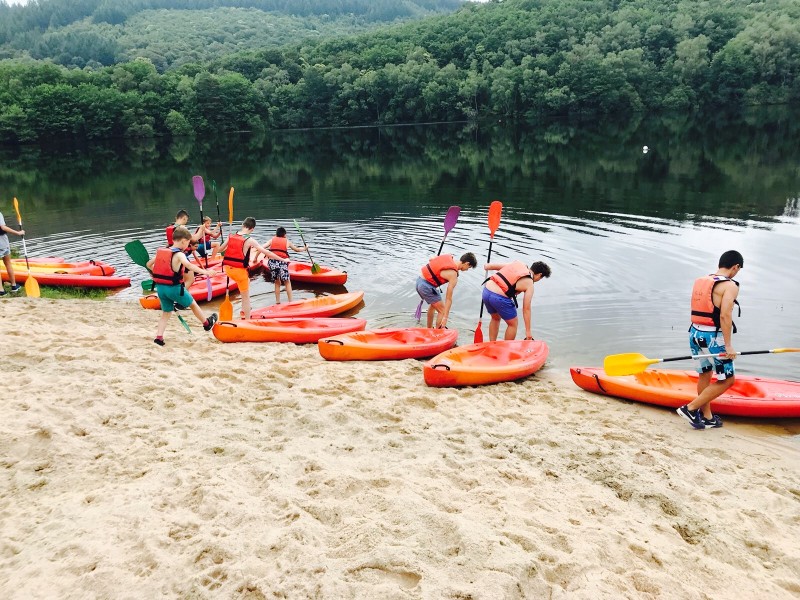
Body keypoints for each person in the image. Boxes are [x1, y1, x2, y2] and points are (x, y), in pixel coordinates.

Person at [677, 250, 744, 430]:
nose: (737, 273)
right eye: (738, 270)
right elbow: (725, 315)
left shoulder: (702, 280)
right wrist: (728, 345)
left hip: (695, 333)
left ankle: (707, 417)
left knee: (705, 374)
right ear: (735, 267)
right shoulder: (729, 285)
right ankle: (691, 408)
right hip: (713, 338)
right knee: (728, 380)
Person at [145, 226, 218, 346]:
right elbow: (189, 266)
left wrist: (159, 274)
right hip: (174, 289)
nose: (188, 246)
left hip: (161, 289)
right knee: (193, 304)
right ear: (184, 241)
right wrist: (207, 272)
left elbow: (148, 264)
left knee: (166, 314)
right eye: (188, 243)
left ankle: (159, 337)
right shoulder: (179, 254)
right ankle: (206, 324)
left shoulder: (163, 251)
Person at [217, 217, 290, 319]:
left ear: (243, 225)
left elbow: (220, 249)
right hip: (239, 271)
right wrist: (283, 260)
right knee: (246, 297)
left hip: (228, 269)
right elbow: (267, 252)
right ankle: (247, 319)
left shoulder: (231, 236)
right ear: (252, 229)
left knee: (245, 283)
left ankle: (243, 309)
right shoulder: (249, 240)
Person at [481, 260, 551, 341]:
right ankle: (506, 349)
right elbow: (526, 309)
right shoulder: (530, 283)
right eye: (541, 278)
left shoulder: (519, 263)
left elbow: (491, 267)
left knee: (495, 318)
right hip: (498, 298)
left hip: (486, 291)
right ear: (539, 275)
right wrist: (528, 332)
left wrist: (487, 266)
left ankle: (491, 344)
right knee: (513, 324)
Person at [416, 252, 477, 328]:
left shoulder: (448, 256)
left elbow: (431, 259)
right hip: (426, 287)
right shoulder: (453, 275)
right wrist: (445, 317)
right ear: (467, 263)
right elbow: (448, 298)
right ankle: (438, 334)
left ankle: (429, 329)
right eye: (469, 267)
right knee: (442, 311)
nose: (467, 269)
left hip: (419, 281)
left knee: (434, 306)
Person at [262, 226, 308, 303]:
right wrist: (305, 248)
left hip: (272, 262)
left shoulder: (271, 240)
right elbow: (297, 249)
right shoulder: (287, 241)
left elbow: (262, 247)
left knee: (277, 282)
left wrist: (255, 258)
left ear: (276, 234)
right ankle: (290, 302)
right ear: (284, 235)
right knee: (287, 281)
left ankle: (277, 302)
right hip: (282, 262)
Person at [166, 209, 204, 285]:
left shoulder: (170, 227)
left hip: (171, 254)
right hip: (181, 254)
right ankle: (181, 295)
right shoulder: (182, 228)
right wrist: (201, 229)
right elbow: (193, 239)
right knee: (191, 279)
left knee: (182, 278)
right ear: (184, 218)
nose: (186, 222)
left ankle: (180, 291)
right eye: (186, 220)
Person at [0, 210, 25, 296]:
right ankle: (13, 286)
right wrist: (18, 233)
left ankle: (1, 290)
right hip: (2, 241)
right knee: (8, 263)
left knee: (7, 263)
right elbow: (3, 227)